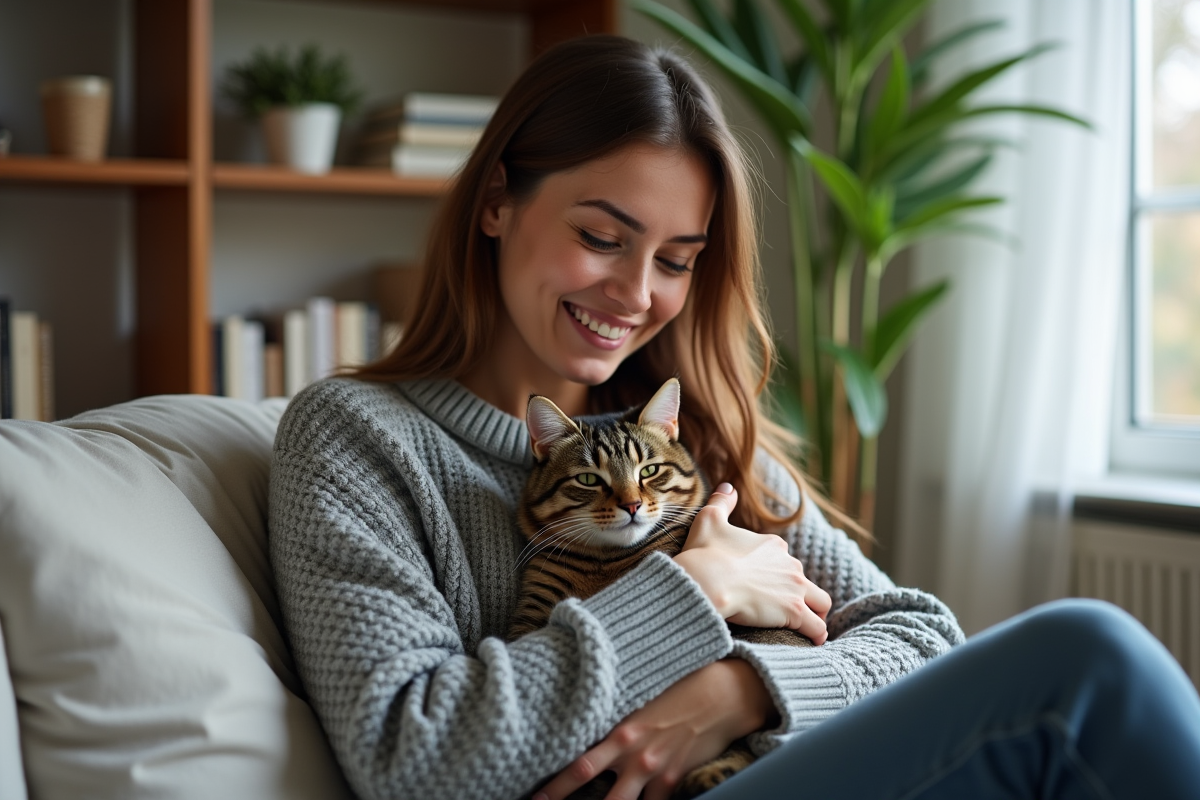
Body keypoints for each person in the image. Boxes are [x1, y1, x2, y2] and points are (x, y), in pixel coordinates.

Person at [268, 34, 1200, 800]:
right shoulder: (357, 437)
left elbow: (919, 638)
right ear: (497, 204)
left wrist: (740, 691)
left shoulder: (701, 438)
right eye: (602, 237)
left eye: (676, 259)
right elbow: (412, 757)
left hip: (765, 762)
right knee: (1087, 666)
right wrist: (699, 588)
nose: (635, 293)